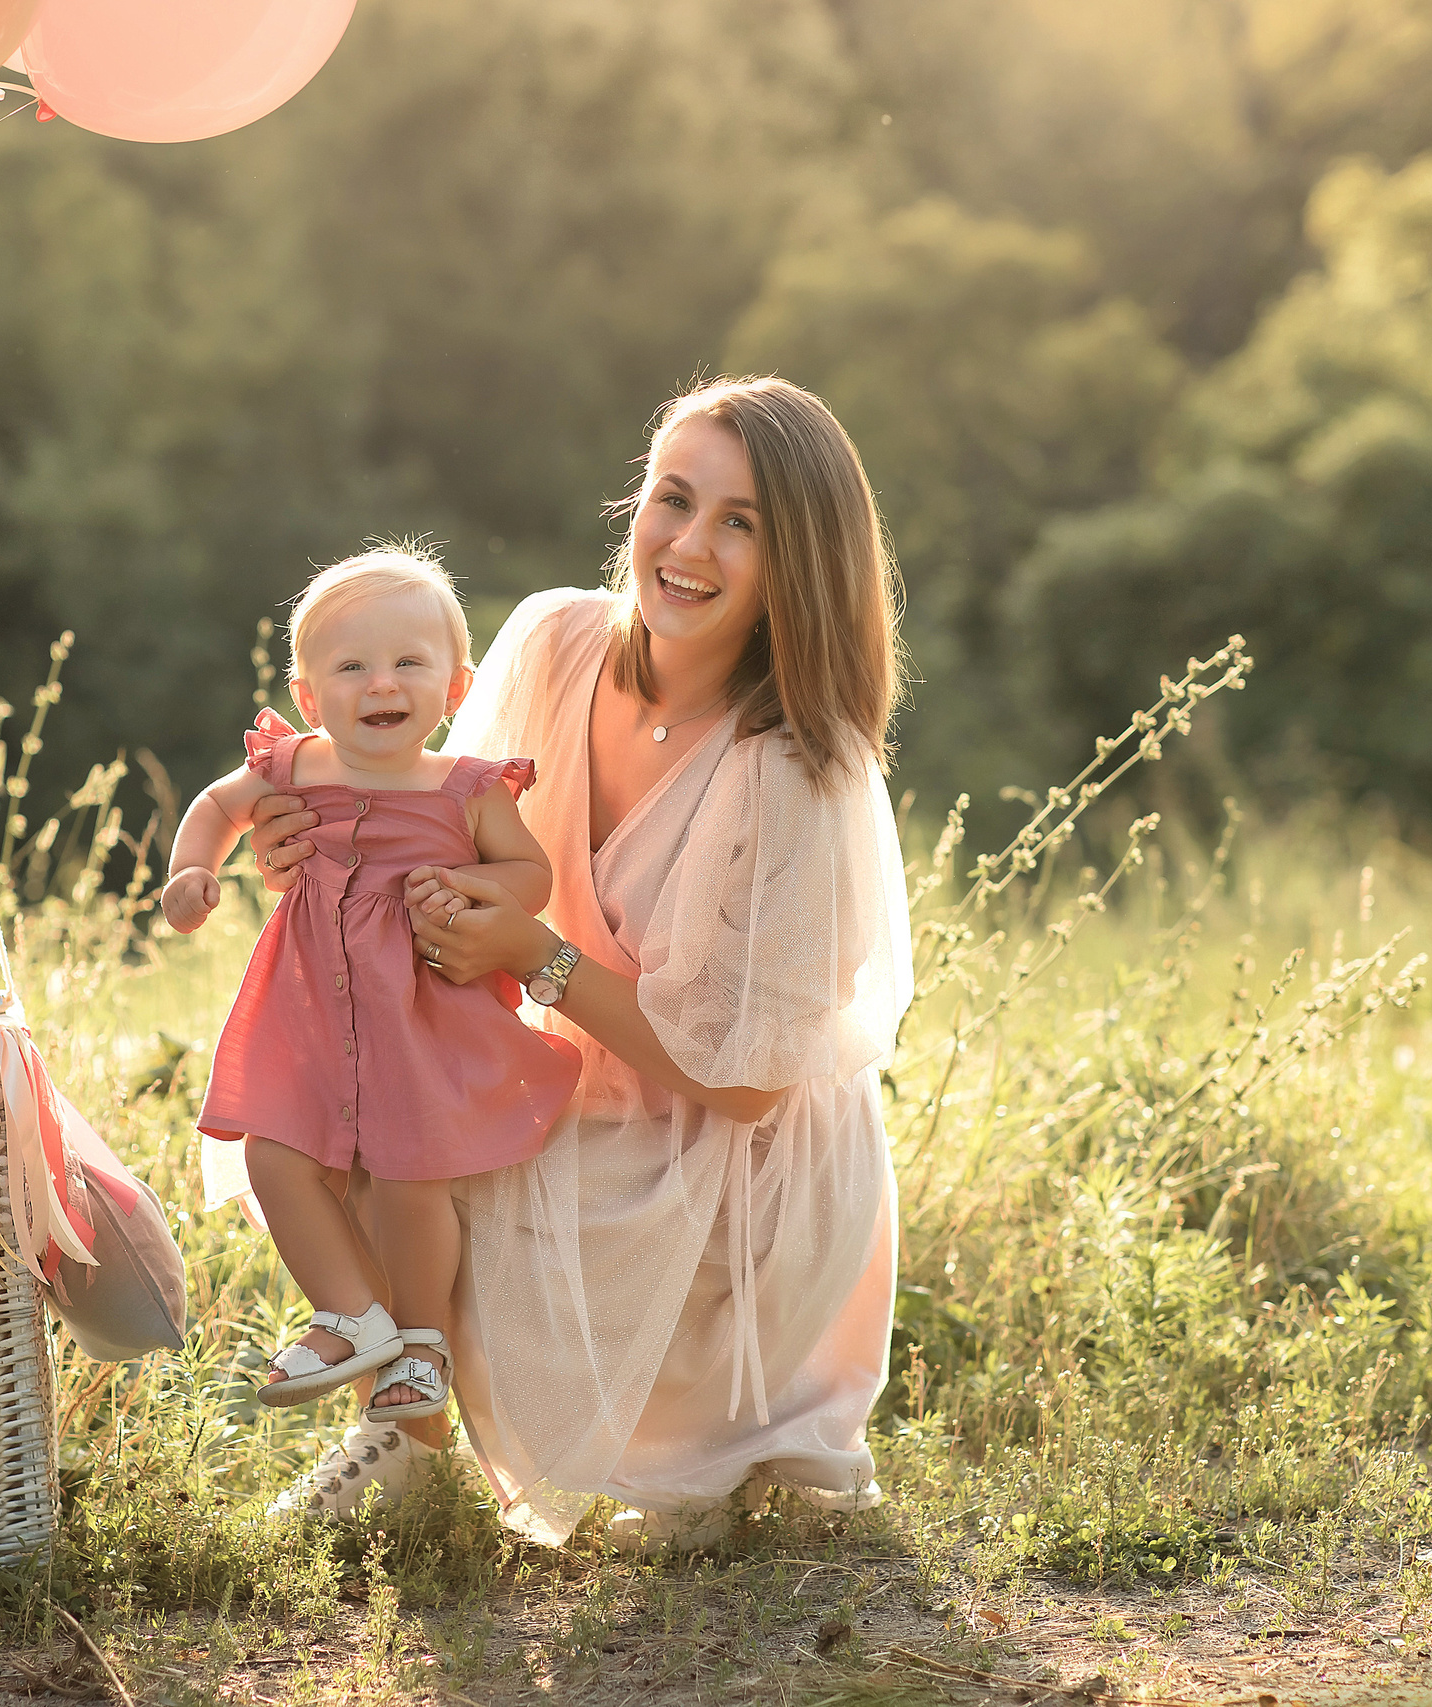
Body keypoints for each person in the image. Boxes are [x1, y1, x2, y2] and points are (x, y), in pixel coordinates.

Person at [241, 378, 913, 1549]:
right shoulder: (556, 641)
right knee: (333, 1118)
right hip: (572, 1079)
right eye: (673, 499)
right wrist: (307, 845)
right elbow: (430, 830)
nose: (687, 546)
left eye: (740, 524)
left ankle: (694, 1439)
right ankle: (406, 1446)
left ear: (797, 564)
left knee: (435, 1186)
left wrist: (537, 958)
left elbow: (747, 1086)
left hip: (731, 1169)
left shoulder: (796, 770)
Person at [162, 550, 580, 1432]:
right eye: (351, 666)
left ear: (455, 687)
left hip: (419, 1018)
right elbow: (215, 807)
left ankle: (423, 1341)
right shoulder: (292, 765)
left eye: (408, 663)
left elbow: (531, 875)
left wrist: (470, 887)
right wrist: (192, 871)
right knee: (273, 1154)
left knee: (408, 1179)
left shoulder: (467, 788)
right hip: (309, 1017)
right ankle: (351, 1313)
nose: (381, 682)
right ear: (310, 697)